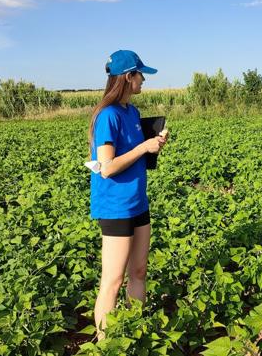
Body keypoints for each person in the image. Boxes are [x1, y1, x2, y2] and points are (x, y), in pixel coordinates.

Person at [88, 50, 167, 340]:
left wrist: (153, 144)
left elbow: (134, 155)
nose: (144, 80)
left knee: (139, 271)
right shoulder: (108, 116)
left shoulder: (131, 112)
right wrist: (142, 148)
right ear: (128, 77)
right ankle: (105, 342)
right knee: (112, 280)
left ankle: (134, 332)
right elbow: (107, 168)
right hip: (115, 206)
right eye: (140, 74)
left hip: (137, 202)